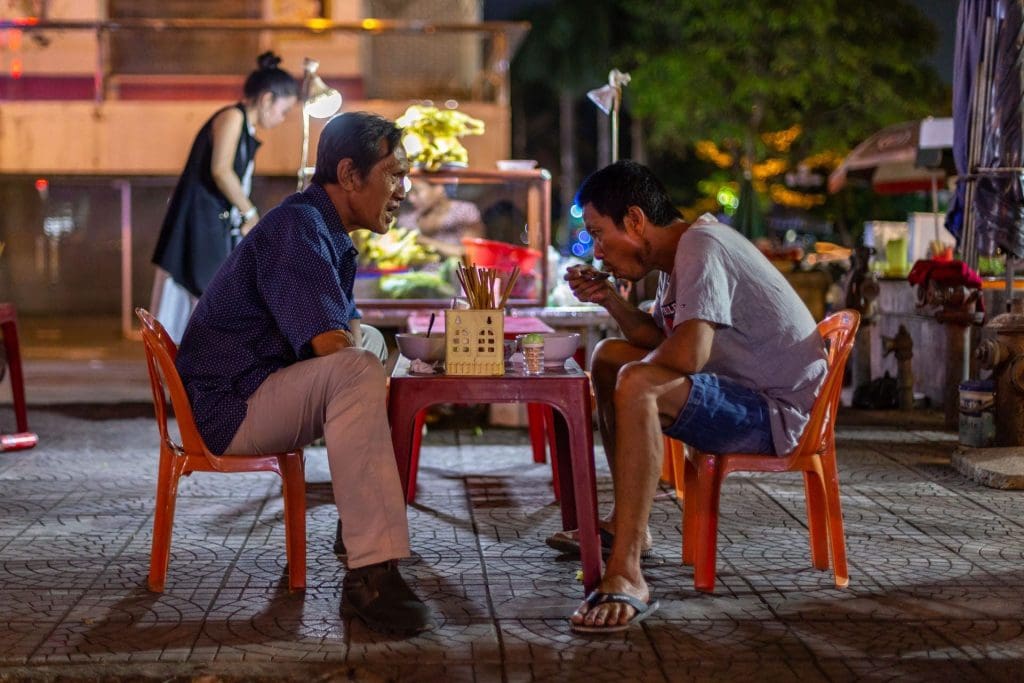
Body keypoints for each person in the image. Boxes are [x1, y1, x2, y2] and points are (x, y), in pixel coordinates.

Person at [174, 112, 432, 636]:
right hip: (230, 408)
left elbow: (347, 334)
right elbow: (328, 347)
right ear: (350, 174)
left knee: (373, 346)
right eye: (395, 173)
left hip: (254, 391)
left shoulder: (322, 228)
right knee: (357, 366)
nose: (404, 189)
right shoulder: (298, 229)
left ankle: (359, 523)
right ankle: (370, 577)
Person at [558, 161, 827, 633]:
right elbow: (657, 336)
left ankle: (627, 574)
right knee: (608, 357)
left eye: (600, 235)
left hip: (775, 413)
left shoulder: (702, 247)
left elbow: (687, 353)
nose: (598, 252)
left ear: (636, 220)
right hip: (742, 393)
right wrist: (610, 300)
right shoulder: (677, 255)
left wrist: (636, 380)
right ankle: (629, 526)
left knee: (636, 382)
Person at [150, 51, 298, 341]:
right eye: (283, 111)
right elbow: (221, 170)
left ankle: (195, 373)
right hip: (198, 230)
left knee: (212, 305)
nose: (282, 120)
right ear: (267, 99)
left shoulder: (245, 126)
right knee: (197, 305)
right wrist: (250, 213)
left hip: (212, 228)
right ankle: (187, 375)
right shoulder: (232, 117)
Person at [397, 178, 483, 257]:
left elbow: (470, 253)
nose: (411, 199)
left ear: (439, 189)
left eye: (417, 192)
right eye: (409, 193)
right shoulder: (407, 219)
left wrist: (424, 241)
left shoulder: (464, 211)